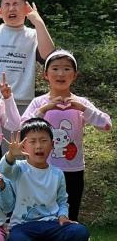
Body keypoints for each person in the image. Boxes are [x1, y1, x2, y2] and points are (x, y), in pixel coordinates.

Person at [3, 119, 90, 241]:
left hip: (51, 224)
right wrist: (11, 155)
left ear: (52, 145)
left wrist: (63, 216)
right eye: (32, 141)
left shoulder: (57, 173)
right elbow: (4, 170)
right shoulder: (19, 169)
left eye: (43, 141)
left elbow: (62, 200)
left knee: (79, 231)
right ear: (24, 146)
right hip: (24, 225)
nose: (38, 146)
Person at [21, 50, 111, 221]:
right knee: (41, 212)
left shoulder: (81, 103)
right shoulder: (39, 102)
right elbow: (23, 128)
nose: (61, 74)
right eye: (55, 68)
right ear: (45, 75)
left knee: (70, 213)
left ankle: (70, 237)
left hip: (73, 169)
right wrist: (44, 110)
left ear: (74, 75)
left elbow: (106, 125)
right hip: (42, 167)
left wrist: (84, 109)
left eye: (66, 69)